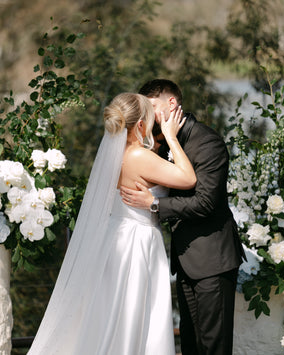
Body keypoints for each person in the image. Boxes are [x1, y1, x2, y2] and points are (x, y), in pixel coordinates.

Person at [27, 92, 196, 355]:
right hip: (137, 243)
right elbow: (188, 179)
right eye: (150, 120)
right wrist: (172, 136)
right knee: (133, 316)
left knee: (112, 314)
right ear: (140, 125)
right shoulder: (139, 156)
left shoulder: (118, 154)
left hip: (117, 235)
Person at [120, 79, 246, 355]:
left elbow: (204, 203)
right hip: (185, 260)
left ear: (172, 103)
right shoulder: (159, 143)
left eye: (152, 107)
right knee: (190, 344)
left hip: (212, 259)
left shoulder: (207, 142)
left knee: (213, 346)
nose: (148, 115)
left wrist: (155, 205)